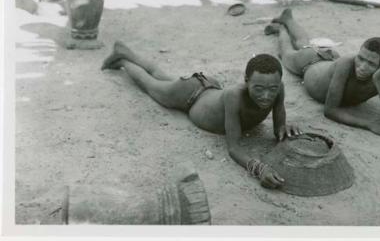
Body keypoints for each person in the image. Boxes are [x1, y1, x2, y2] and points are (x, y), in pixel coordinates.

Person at [101, 41, 301, 188]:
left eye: (272, 89)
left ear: (279, 84)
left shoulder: (277, 89)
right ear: (246, 81)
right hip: (190, 95)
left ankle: (124, 51)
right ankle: (124, 62)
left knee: (163, 77)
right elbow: (233, 148)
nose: (266, 96)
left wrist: (285, 127)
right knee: (150, 84)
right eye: (258, 88)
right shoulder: (234, 96)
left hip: (207, 88)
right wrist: (258, 168)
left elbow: (278, 129)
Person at [265, 8, 380, 141]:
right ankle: (282, 28)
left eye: (371, 64)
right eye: (360, 58)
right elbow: (330, 110)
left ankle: (287, 19)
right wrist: (370, 124)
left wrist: (377, 80)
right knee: (287, 53)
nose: (362, 67)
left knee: (303, 43)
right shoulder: (346, 64)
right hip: (309, 62)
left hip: (328, 61)